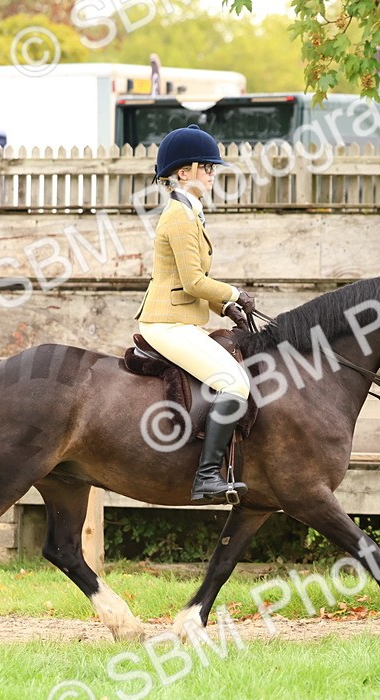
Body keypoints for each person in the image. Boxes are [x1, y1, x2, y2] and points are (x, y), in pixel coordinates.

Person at [135, 124, 255, 504]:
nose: (213, 173)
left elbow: (189, 281)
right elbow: (192, 282)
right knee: (235, 385)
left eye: (212, 167)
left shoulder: (190, 213)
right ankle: (206, 478)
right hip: (167, 324)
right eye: (206, 167)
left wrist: (226, 307)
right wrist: (234, 292)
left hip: (181, 319)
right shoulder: (179, 217)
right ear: (183, 172)